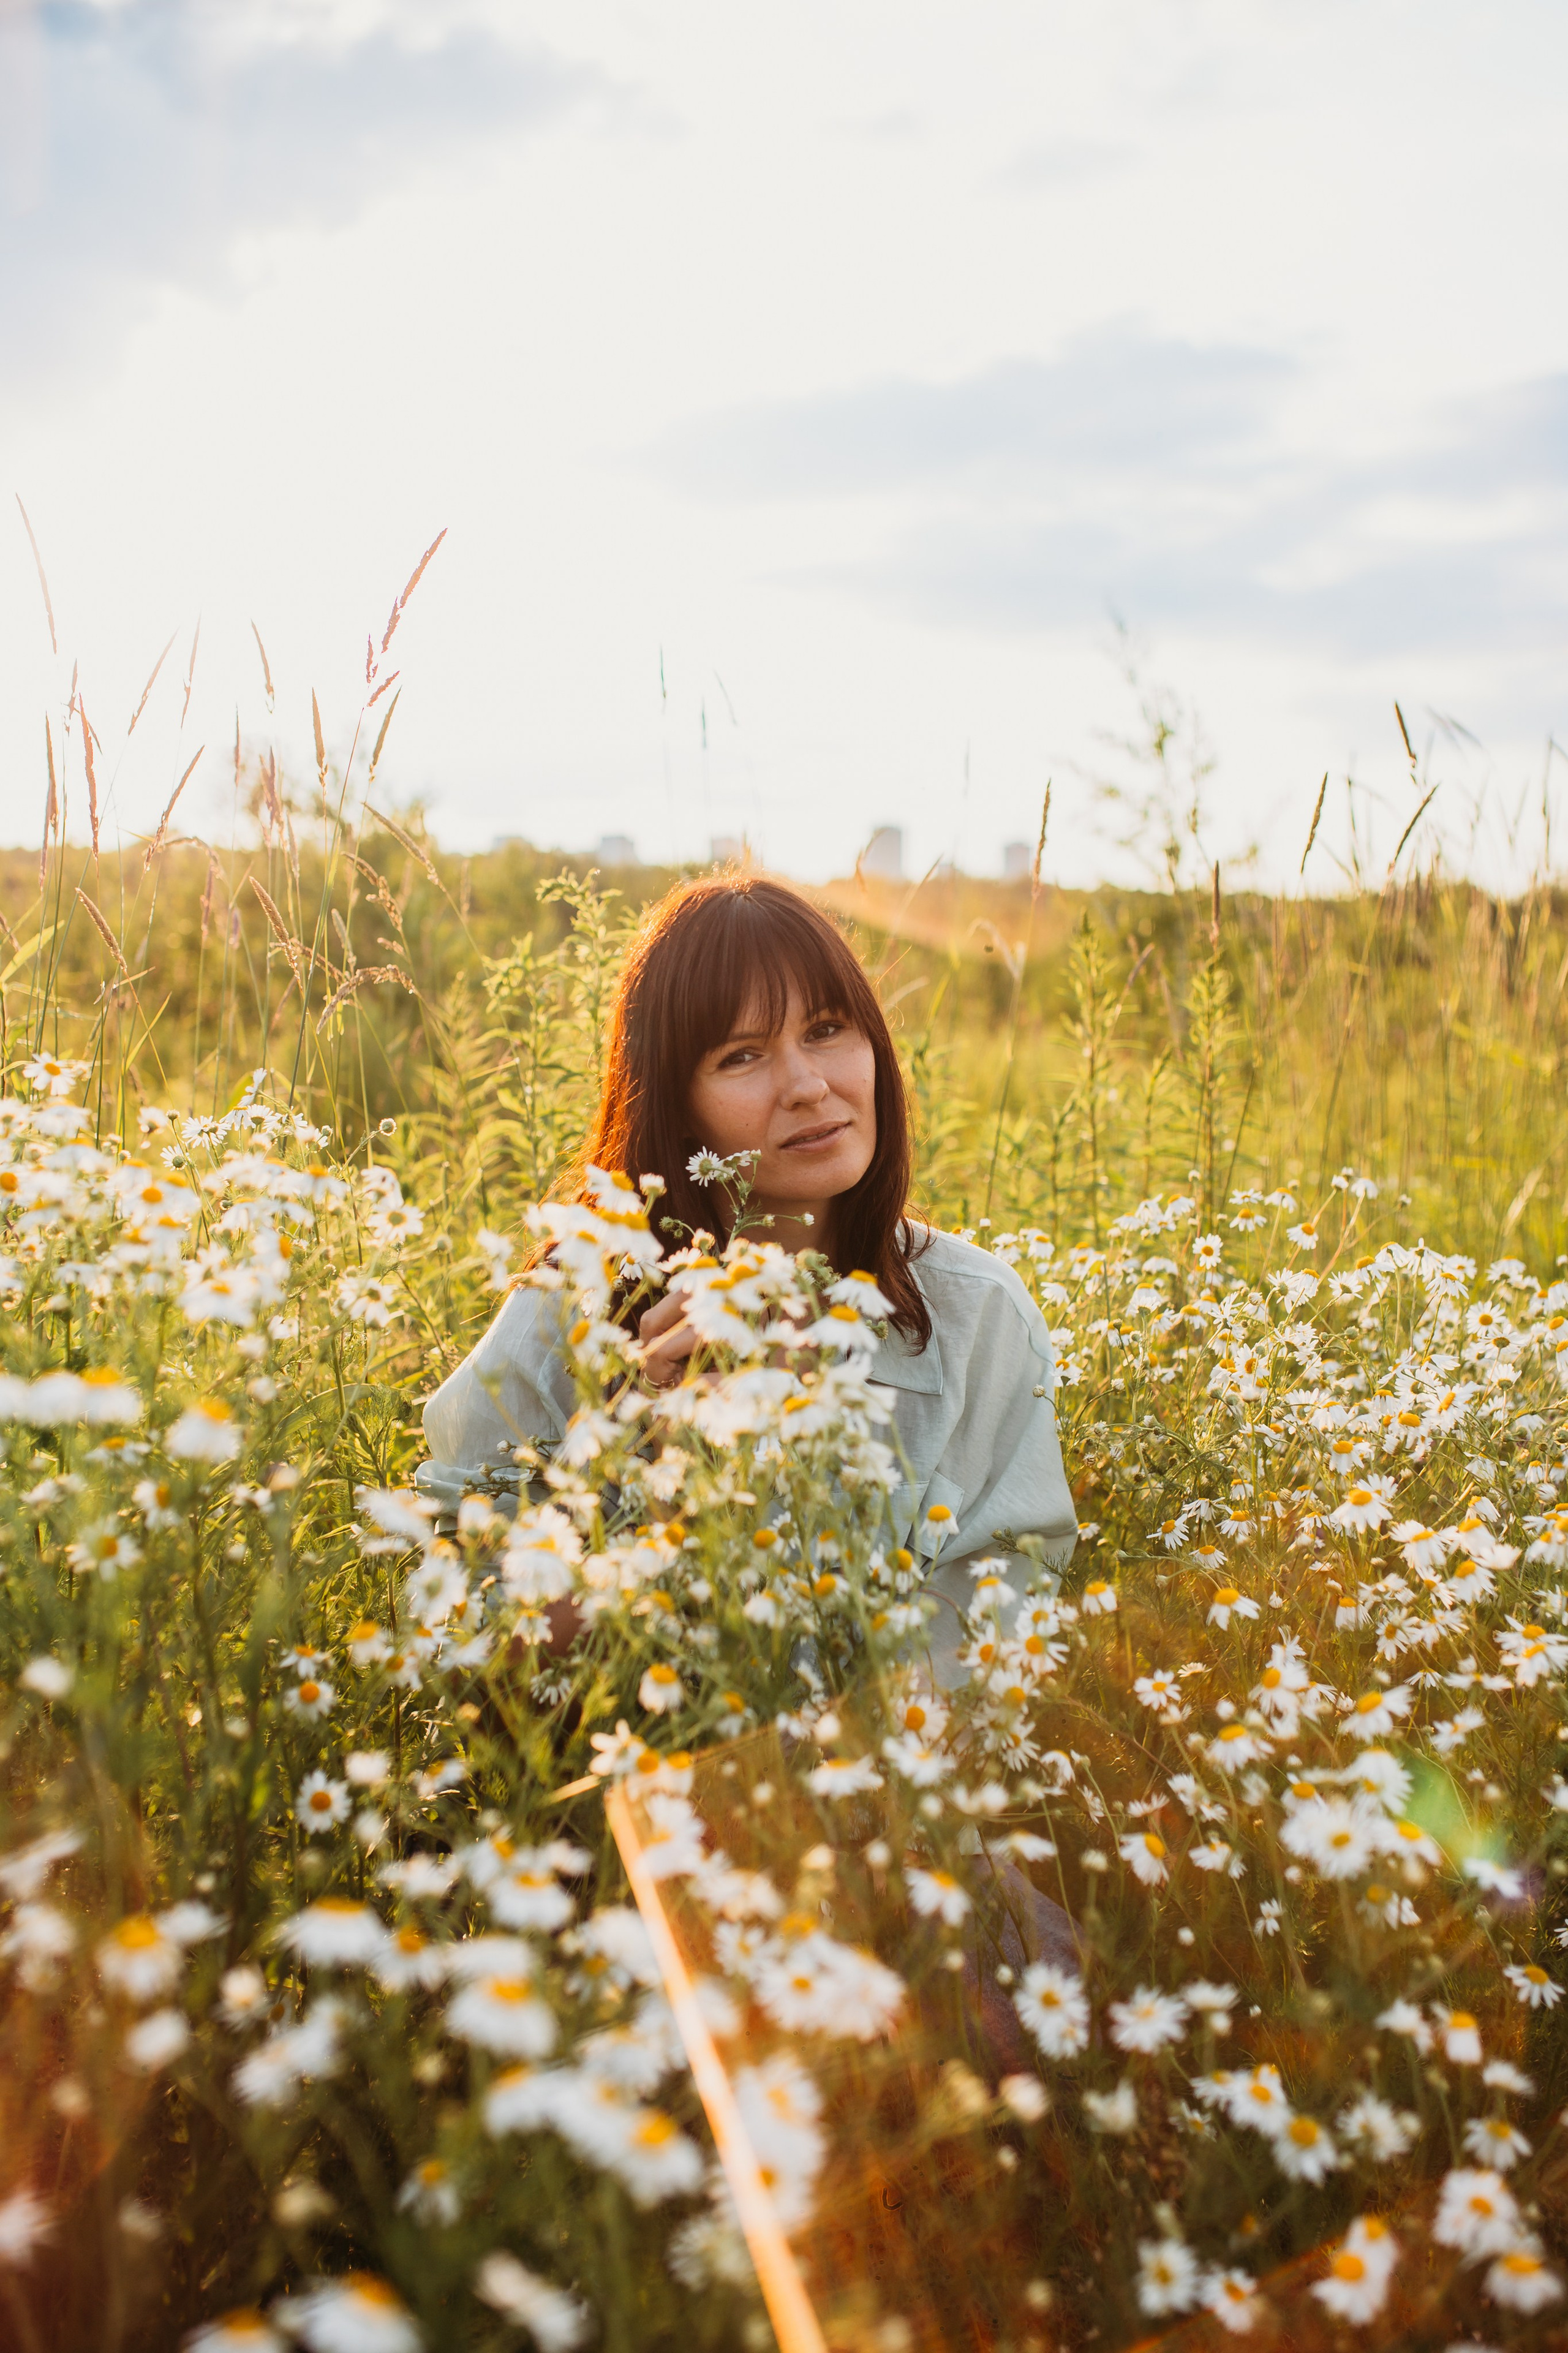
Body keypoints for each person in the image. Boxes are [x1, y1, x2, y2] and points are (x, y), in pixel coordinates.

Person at [417, 873, 1077, 1685]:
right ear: (675, 1104)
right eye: (742, 1055)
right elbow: (464, 1659)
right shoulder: (564, 1318)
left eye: (829, 1029)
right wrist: (646, 1473)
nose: (807, 1084)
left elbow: (997, 1658)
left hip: (895, 1805)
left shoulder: (977, 1317)